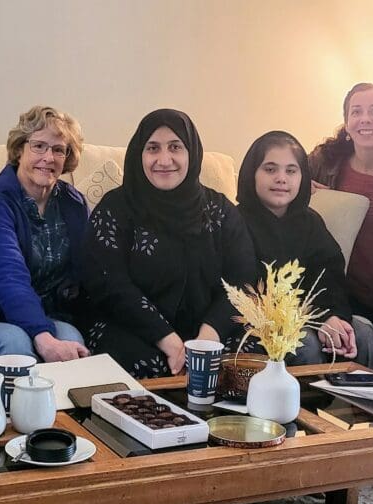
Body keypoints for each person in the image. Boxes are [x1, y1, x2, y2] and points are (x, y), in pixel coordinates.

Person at [84, 109, 257, 378]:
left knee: (250, 362)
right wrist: (168, 339)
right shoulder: (116, 208)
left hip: (209, 330)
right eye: (153, 148)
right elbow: (109, 284)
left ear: (192, 153)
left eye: (175, 147)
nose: (164, 160)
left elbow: (242, 280)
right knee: (138, 363)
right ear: (139, 154)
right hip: (134, 329)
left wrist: (206, 340)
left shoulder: (220, 210)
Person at [238, 131, 373, 367]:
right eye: (270, 169)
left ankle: (357, 405)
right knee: (306, 345)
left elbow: (330, 279)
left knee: (361, 334)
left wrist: (331, 317)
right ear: (252, 173)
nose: (281, 178)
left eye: (291, 171)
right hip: (262, 323)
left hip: (312, 314)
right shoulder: (235, 222)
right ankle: (302, 406)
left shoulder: (310, 222)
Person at [0, 106, 90, 369]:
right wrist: (42, 337)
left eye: (59, 149)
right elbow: (7, 275)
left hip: (54, 316)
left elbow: (91, 269)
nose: (48, 157)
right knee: (16, 350)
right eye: (39, 146)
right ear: (19, 149)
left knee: (73, 339)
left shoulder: (73, 203)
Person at [308, 83, 373, 363]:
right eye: (356, 112)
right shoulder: (323, 161)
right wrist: (311, 196)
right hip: (338, 293)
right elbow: (282, 194)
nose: (365, 119)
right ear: (347, 124)